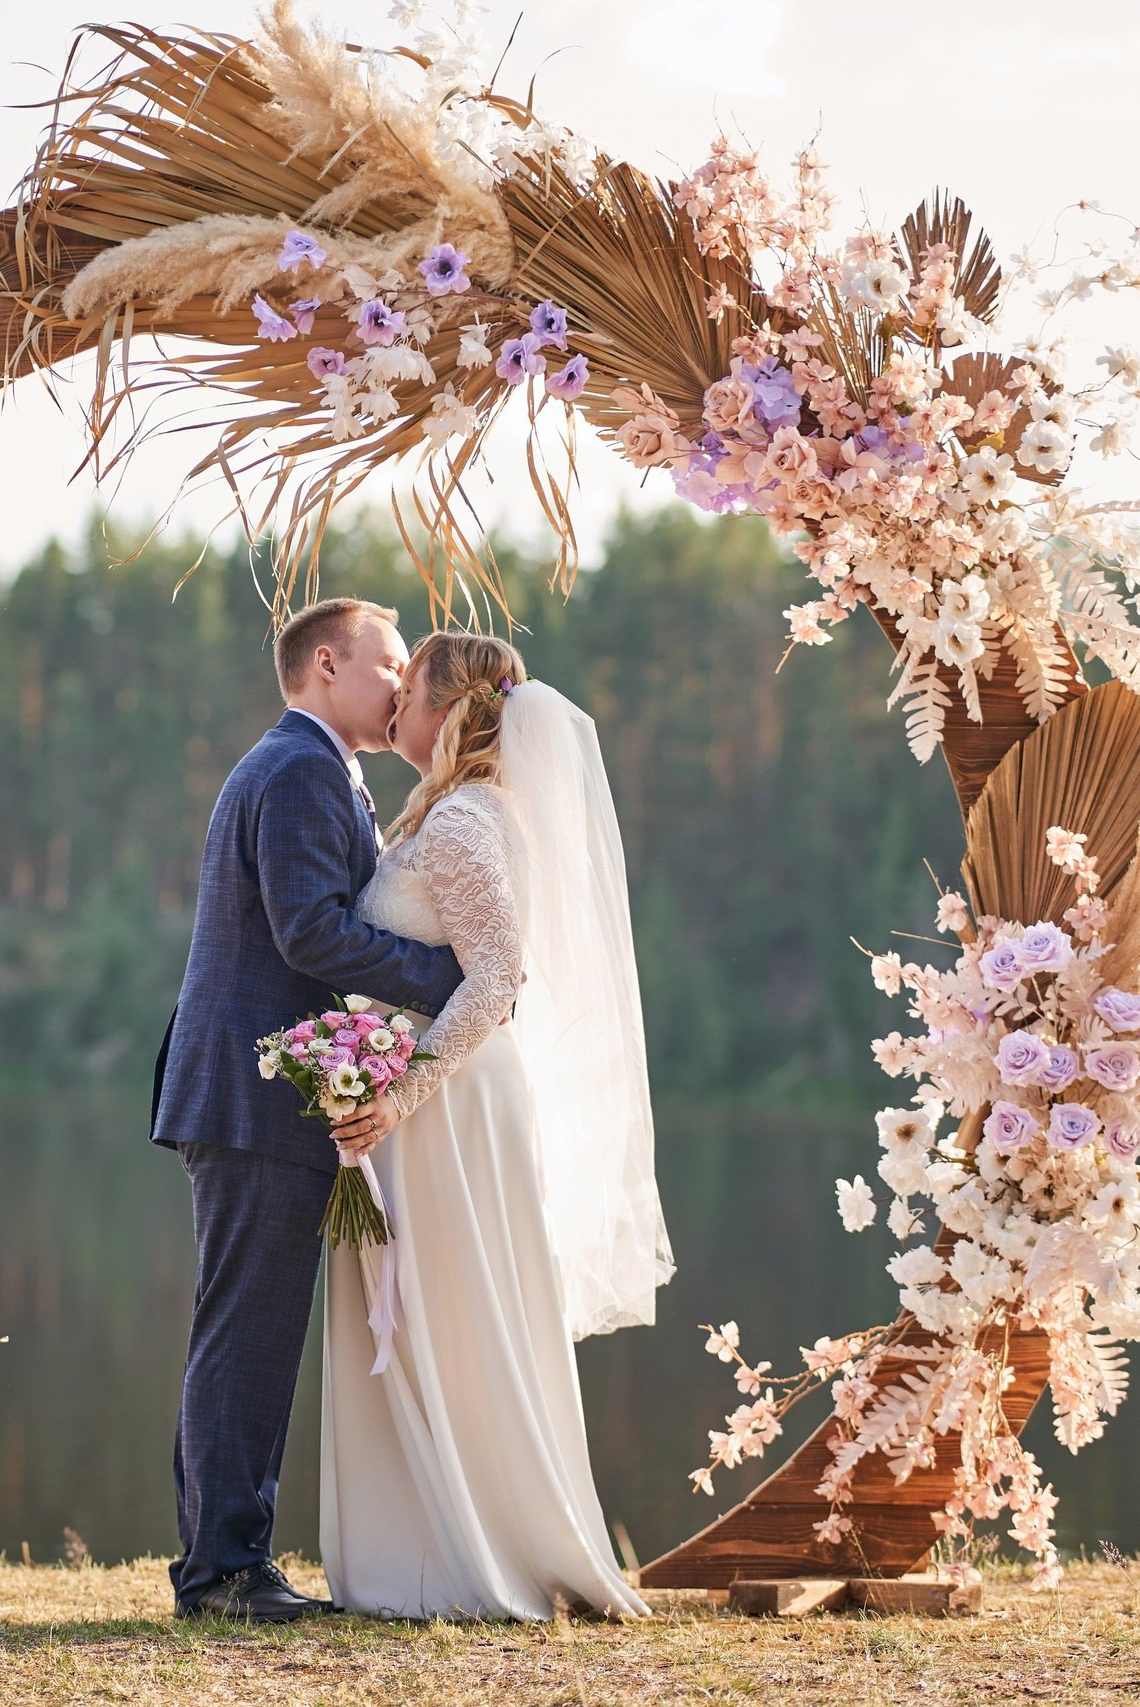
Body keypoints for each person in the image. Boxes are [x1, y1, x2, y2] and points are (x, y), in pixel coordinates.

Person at [319, 631, 674, 1620]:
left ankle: (478, 1553)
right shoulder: (445, 811)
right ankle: (420, 1550)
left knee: (458, 1318)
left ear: (453, 709)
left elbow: (498, 982)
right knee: (424, 1317)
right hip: (427, 1105)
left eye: (410, 688)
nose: (393, 701)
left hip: (451, 1110)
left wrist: (401, 1092)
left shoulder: (466, 822)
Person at [152, 597, 465, 1622]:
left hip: (264, 1094)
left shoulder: (317, 769)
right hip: (253, 1097)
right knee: (245, 1332)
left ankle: (226, 1560)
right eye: (387, 666)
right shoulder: (295, 770)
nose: (401, 686)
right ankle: (220, 1573)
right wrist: (448, 976)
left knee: (249, 1329)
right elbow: (310, 937)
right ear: (326, 665)